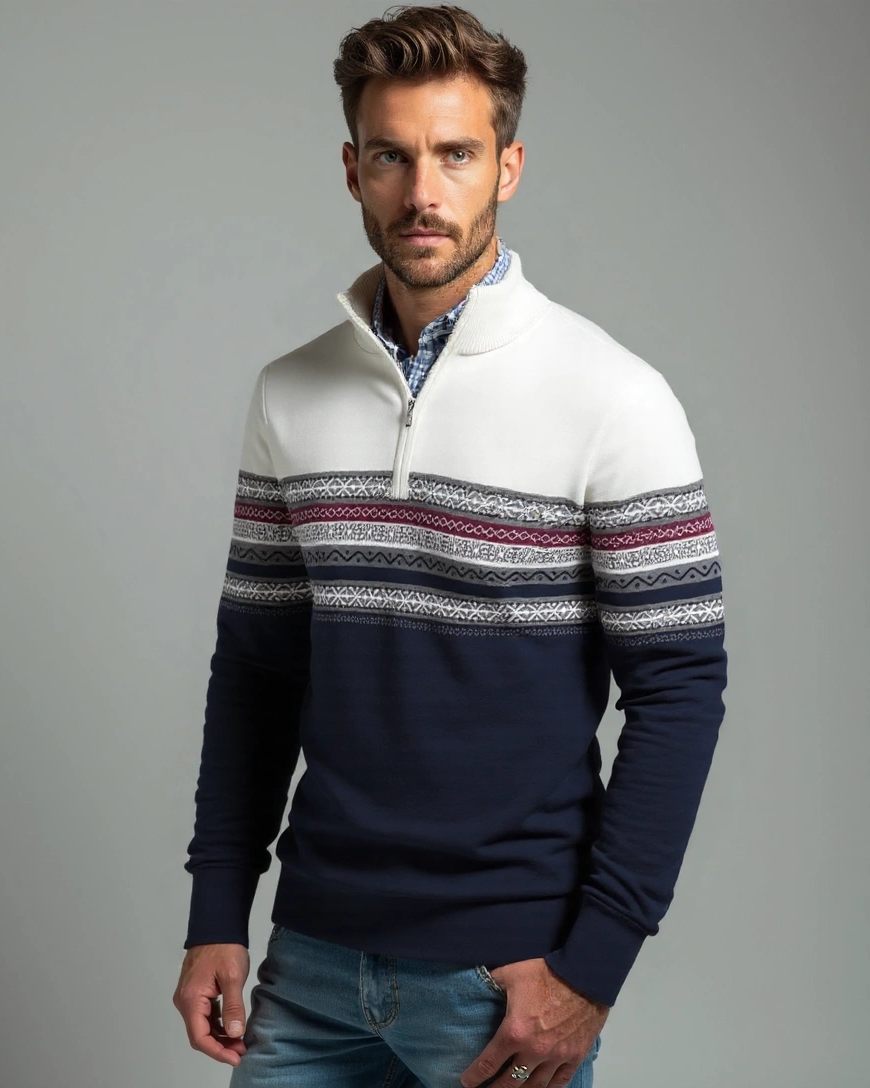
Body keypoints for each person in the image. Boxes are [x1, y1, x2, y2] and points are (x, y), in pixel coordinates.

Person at [172, 5, 728, 1086]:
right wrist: (217, 912)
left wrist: (594, 968)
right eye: (392, 156)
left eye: (456, 154)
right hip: (310, 959)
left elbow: (680, 689)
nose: (423, 192)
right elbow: (256, 673)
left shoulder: (614, 396)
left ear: (507, 166)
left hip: (502, 978)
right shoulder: (290, 393)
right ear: (353, 170)